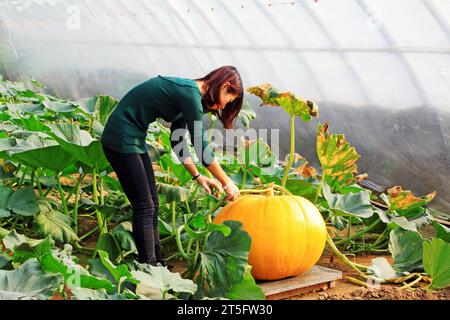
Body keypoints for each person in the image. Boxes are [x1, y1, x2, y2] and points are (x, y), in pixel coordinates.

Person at [100, 65, 242, 266]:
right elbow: (201, 148)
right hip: (120, 137)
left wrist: (198, 176)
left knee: (152, 203)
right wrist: (227, 182)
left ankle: (157, 262)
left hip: (135, 138)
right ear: (225, 86)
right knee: (144, 205)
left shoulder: (191, 97)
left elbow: (178, 140)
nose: (224, 107)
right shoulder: (190, 94)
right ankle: (149, 266)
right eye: (229, 100)